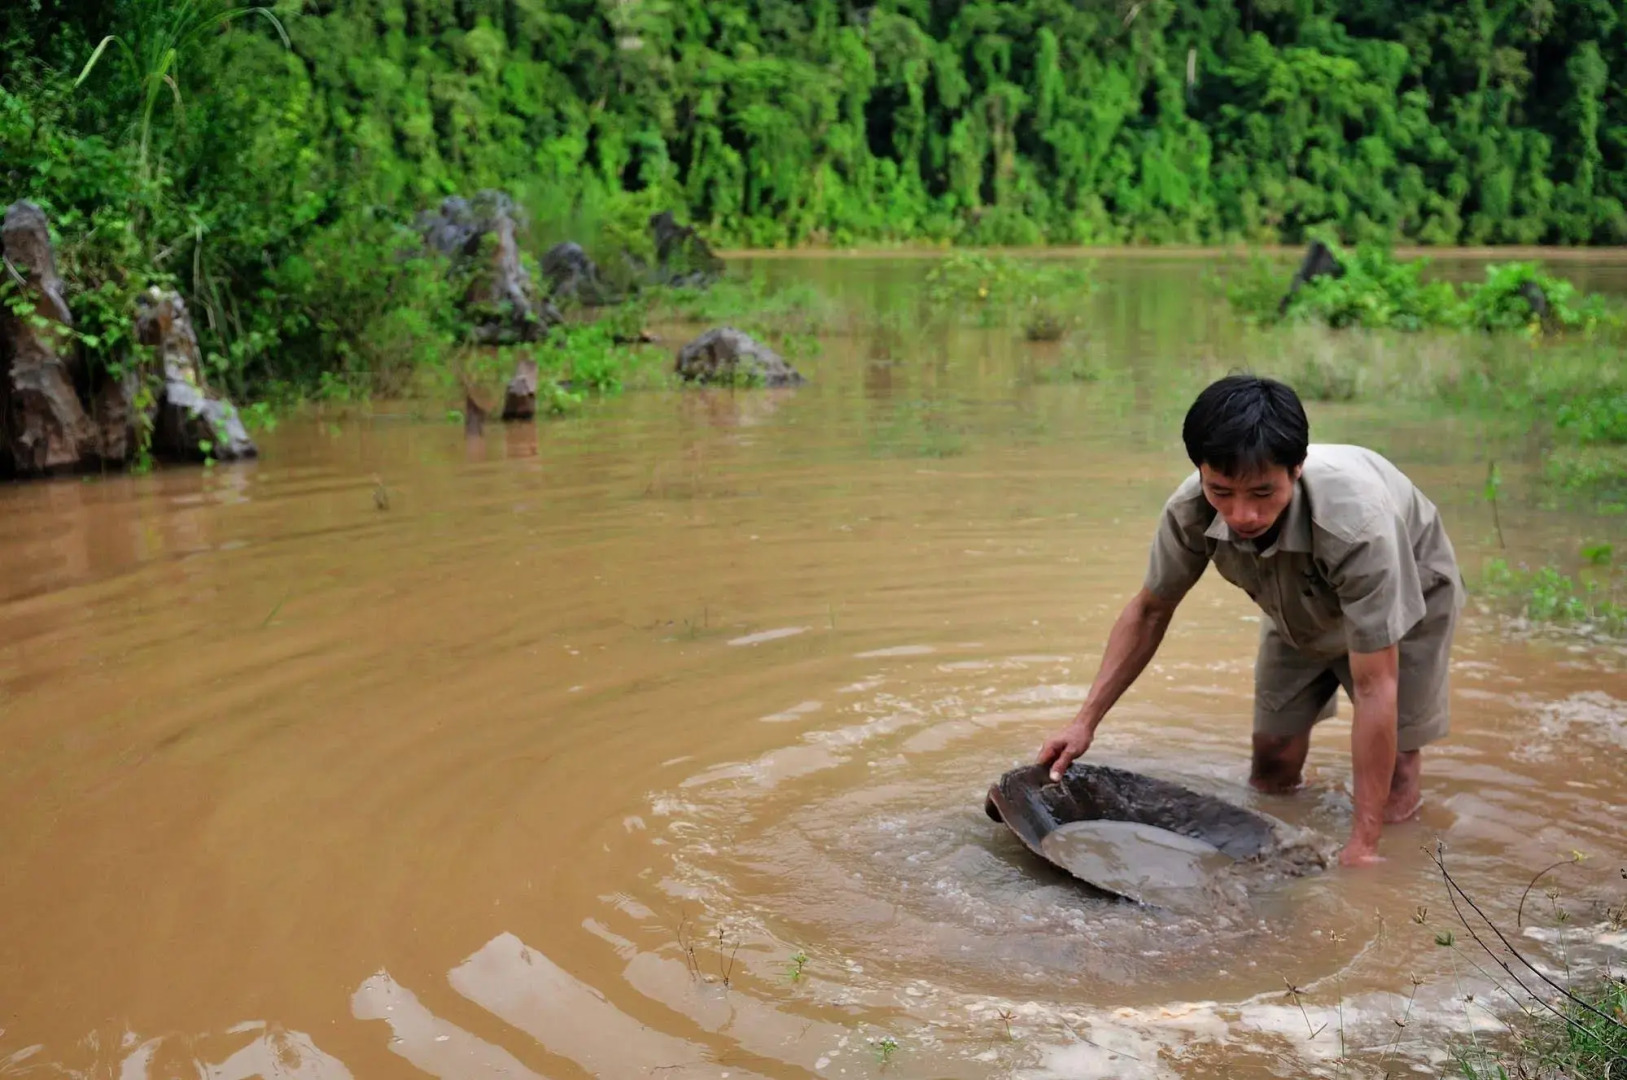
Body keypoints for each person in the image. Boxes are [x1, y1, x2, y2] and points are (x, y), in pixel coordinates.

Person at [1037, 375, 1464, 867]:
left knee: (1398, 767)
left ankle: (1387, 837)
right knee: (1274, 753)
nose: (1242, 515)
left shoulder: (1359, 528)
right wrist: (1083, 722)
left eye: (1263, 493)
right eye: (1221, 490)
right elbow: (1151, 609)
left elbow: (1376, 686)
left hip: (1406, 591)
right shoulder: (1192, 509)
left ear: (1297, 469)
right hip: (1295, 597)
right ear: (1201, 472)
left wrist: (1363, 846)